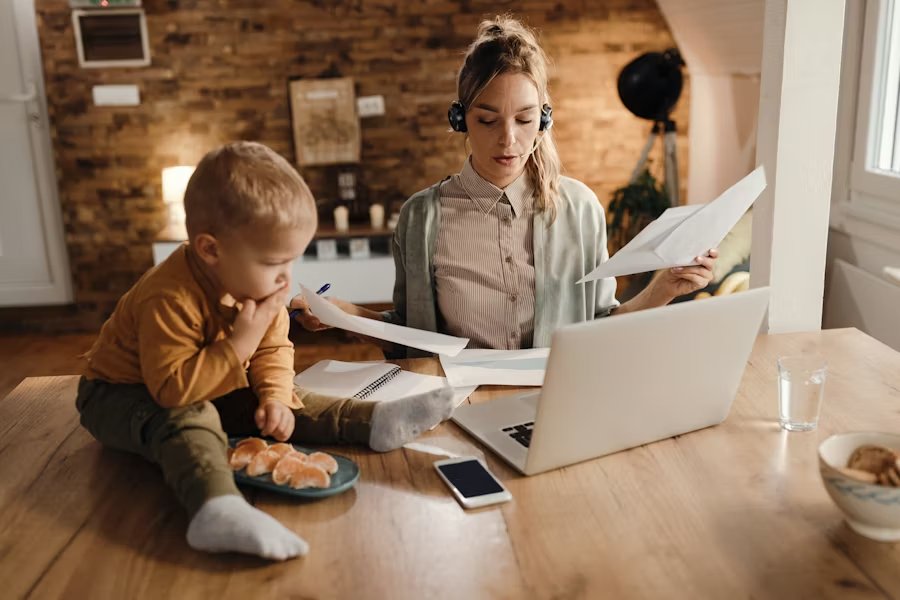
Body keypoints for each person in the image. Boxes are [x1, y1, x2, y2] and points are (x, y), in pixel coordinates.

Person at [76, 141, 453, 561]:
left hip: (207, 379)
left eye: (292, 262)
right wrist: (241, 342)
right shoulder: (169, 298)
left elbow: (273, 348)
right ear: (210, 250)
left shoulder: (260, 285)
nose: (285, 279)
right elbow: (173, 391)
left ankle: (372, 420)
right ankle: (215, 508)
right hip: (122, 395)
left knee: (288, 395)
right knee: (188, 417)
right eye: (275, 263)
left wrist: (274, 397)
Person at [292, 16, 717, 357]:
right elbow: (411, 337)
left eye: (525, 119)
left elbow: (601, 330)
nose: (508, 140)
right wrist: (346, 315)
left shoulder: (581, 209)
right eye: (488, 119)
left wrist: (665, 288)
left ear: (544, 119)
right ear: (460, 119)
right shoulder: (420, 217)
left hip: (553, 404)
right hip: (455, 408)